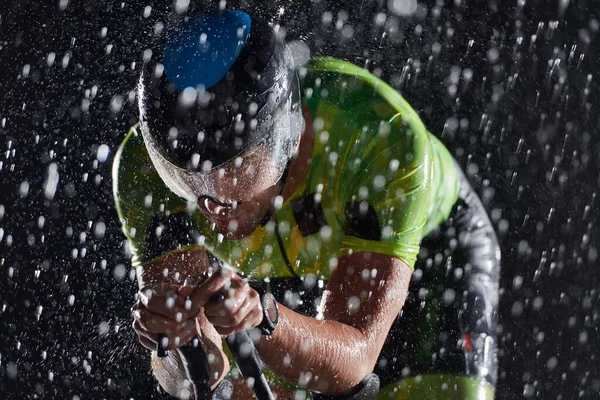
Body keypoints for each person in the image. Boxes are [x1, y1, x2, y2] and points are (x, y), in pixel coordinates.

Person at [113, 8, 501, 400]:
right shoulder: (141, 170)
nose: (212, 204)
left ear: (285, 137)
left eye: (235, 170)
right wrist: (179, 342)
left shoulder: (379, 137)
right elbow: (200, 377)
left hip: (430, 263)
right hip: (286, 271)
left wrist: (266, 317)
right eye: (185, 178)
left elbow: (354, 364)